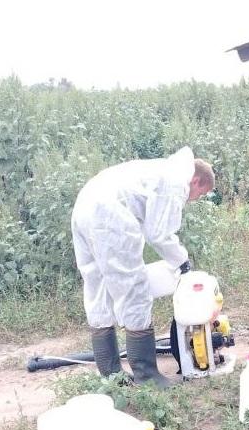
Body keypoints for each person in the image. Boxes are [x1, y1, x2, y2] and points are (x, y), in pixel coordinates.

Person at [71, 147, 214, 387]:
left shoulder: (159, 170)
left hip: (84, 206)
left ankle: (111, 375)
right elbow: (159, 234)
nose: (195, 199)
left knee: (98, 288)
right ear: (197, 180)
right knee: (134, 290)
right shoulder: (176, 181)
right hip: (109, 215)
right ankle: (147, 376)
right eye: (200, 193)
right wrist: (182, 261)